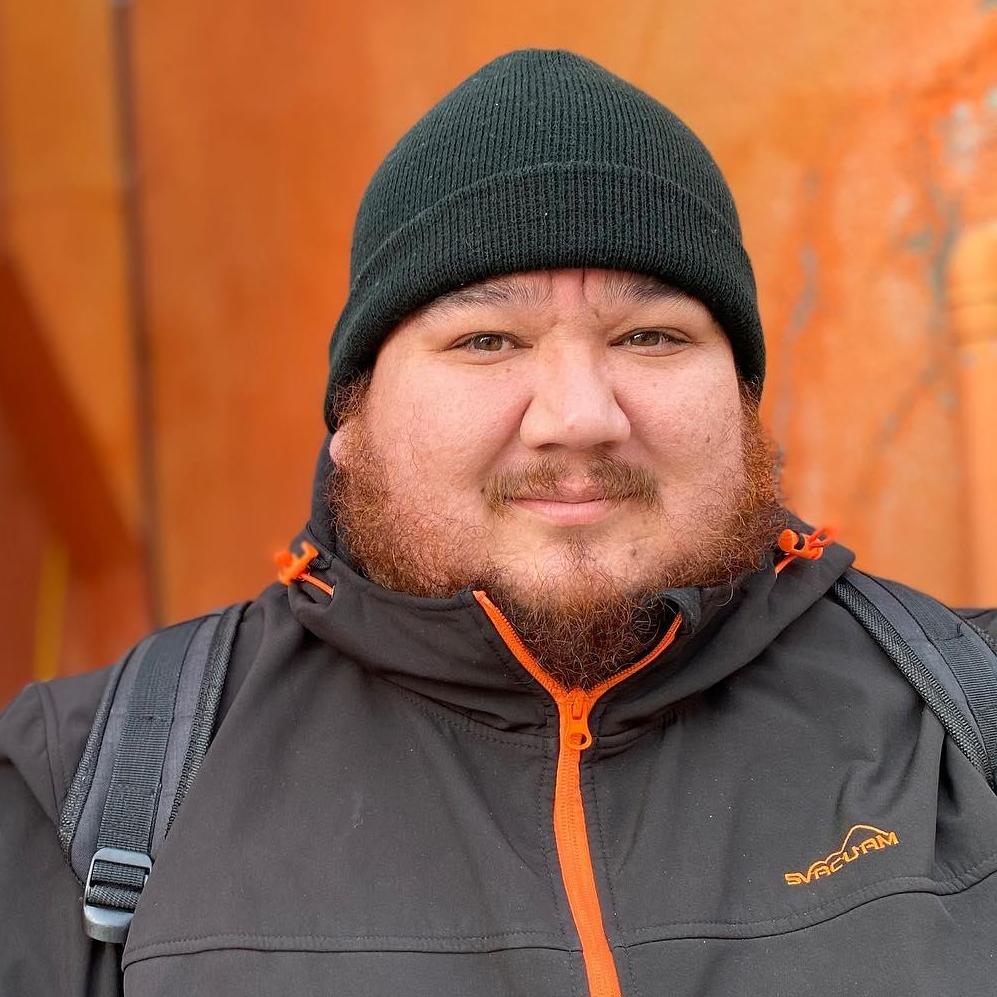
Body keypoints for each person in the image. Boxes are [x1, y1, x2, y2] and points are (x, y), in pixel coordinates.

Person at [2, 48, 996, 997]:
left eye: (651, 336)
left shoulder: (967, 722)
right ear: (352, 420)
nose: (579, 416)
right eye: (486, 339)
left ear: (739, 404)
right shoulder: (78, 782)